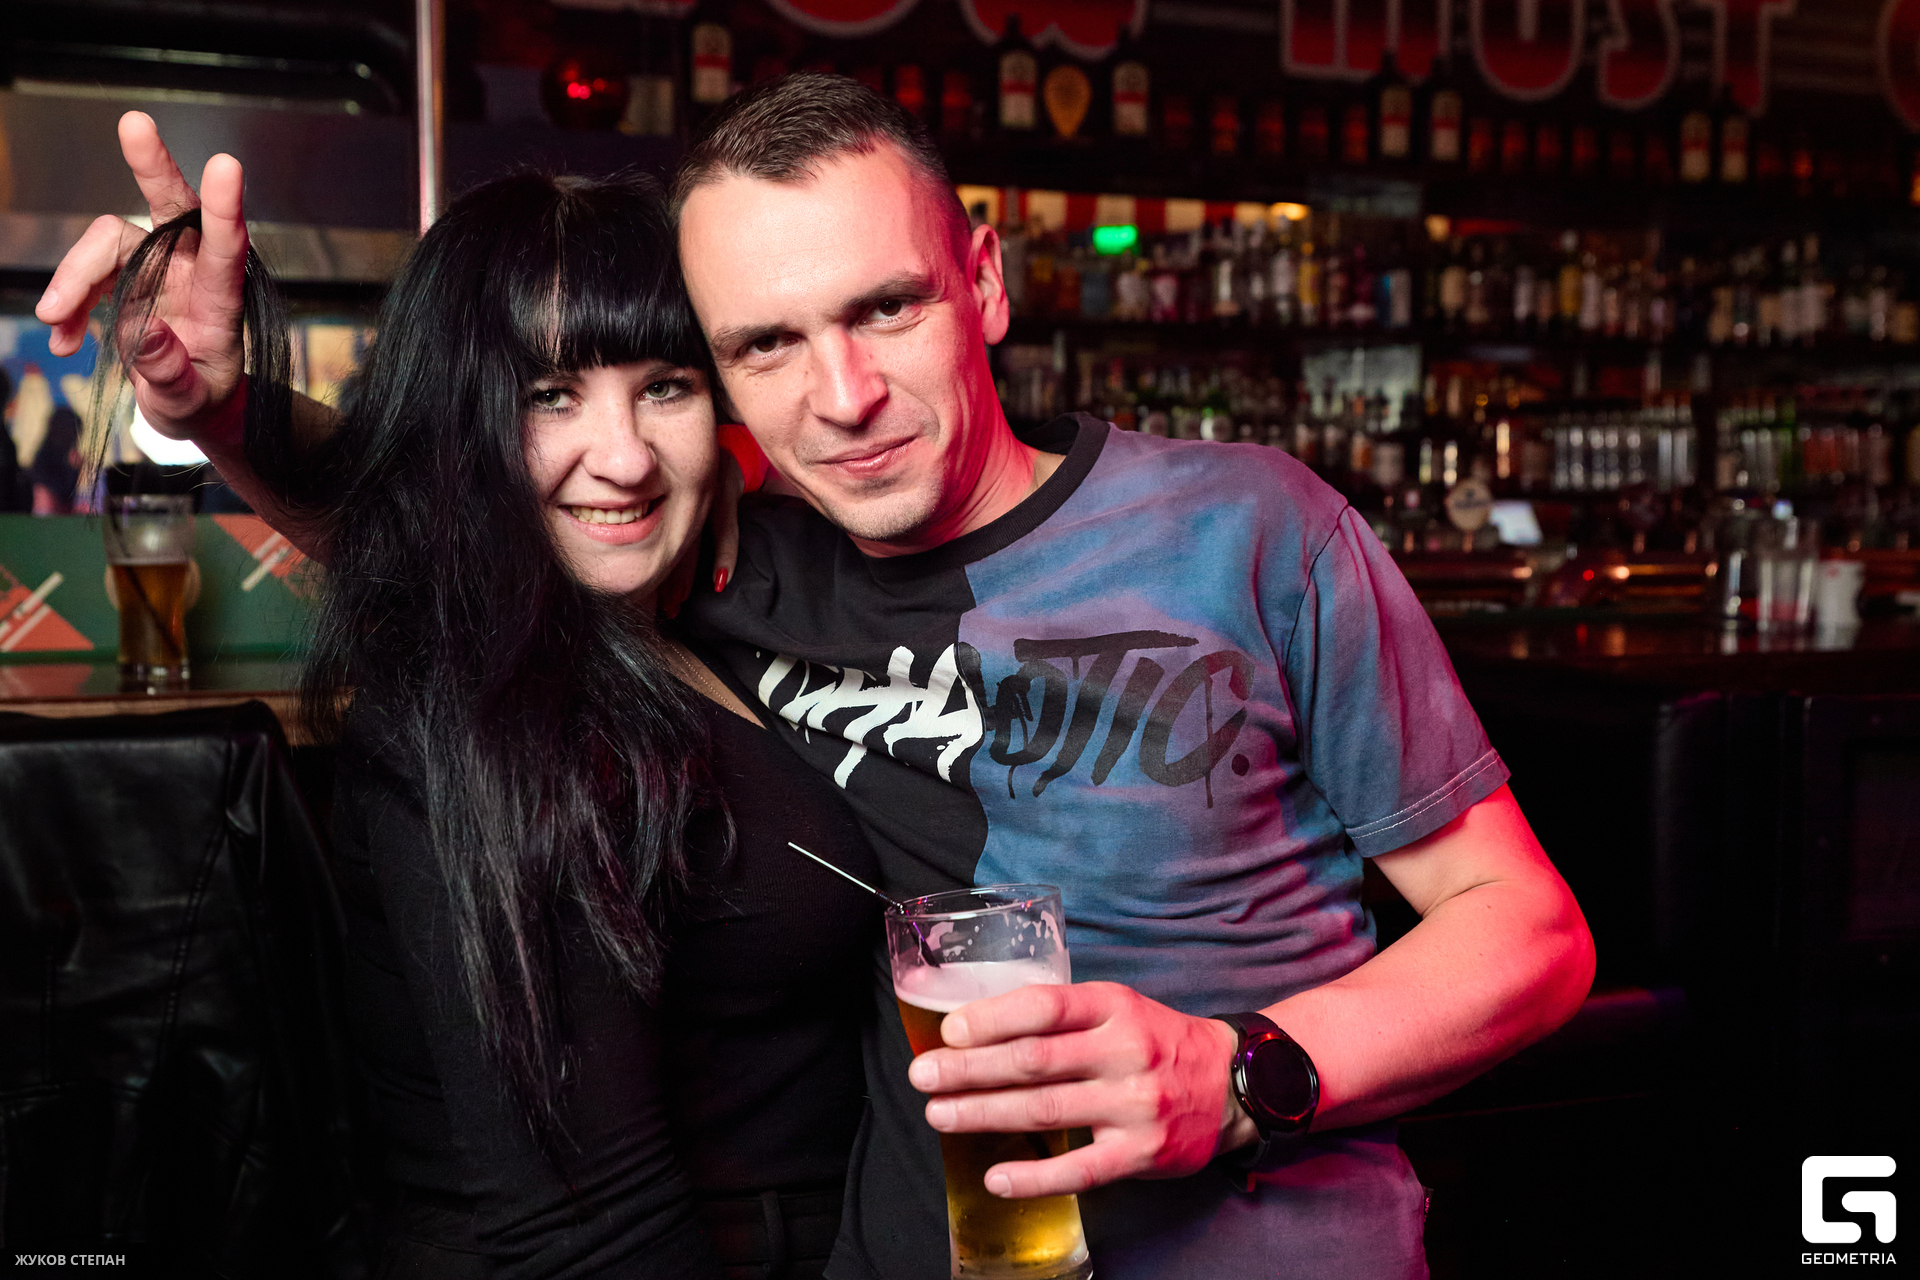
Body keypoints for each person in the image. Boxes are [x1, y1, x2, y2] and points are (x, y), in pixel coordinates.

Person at [46, 80, 1596, 1280]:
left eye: (885, 309)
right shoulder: (736, 565)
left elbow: (1527, 930)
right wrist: (221, 403)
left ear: (982, 281)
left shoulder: (1252, 530)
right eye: (765, 345)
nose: (842, 397)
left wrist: (1243, 1074)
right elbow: (480, 515)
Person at [69, 152, 881, 1278]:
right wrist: (223, 408)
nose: (626, 458)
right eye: (547, 396)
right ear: (458, 426)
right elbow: (591, 1229)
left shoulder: (683, 614)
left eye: (665, 386)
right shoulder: (486, 699)